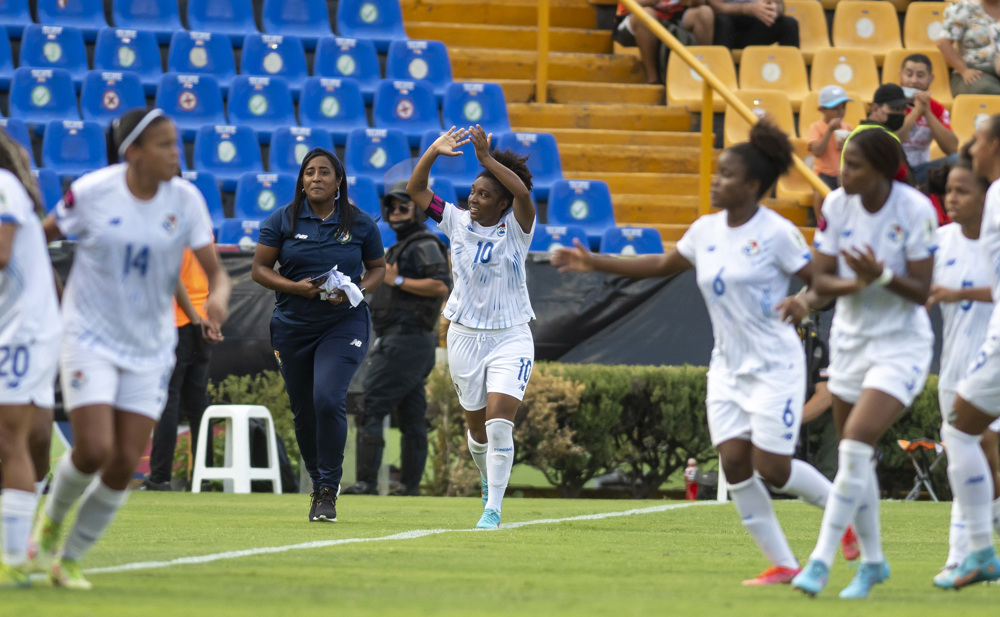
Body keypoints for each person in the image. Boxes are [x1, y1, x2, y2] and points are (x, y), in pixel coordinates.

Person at [552, 121, 858, 586]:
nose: (716, 181)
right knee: (735, 463)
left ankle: (844, 513)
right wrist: (594, 261)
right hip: (727, 367)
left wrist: (804, 301)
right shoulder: (705, 229)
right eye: (716, 173)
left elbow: (821, 280)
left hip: (775, 363)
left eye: (727, 175)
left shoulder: (776, 233)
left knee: (773, 468)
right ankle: (783, 563)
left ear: (753, 185)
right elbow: (660, 264)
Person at [32, 107, 232, 590]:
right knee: (95, 448)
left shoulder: (186, 200)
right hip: (89, 338)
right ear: (133, 151)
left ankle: (71, 557)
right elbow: (37, 241)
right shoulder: (94, 191)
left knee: (123, 462)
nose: (175, 154)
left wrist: (220, 302)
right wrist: (46, 294)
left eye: (177, 144)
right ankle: (51, 524)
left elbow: (217, 273)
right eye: (165, 145)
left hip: (151, 346)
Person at [790, 128, 938, 599]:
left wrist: (882, 276)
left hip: (901, 345)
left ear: (879, 169)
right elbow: (822, 276)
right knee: (859, 458)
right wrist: (819, 294)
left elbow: (921, 291)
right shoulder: (835, 205)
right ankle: (873, 564)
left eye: (852, 165)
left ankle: (819, 560)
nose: (842, 172)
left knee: (853, 442)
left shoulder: (914, 208)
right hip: (851, 343)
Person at [406, 125, 536, 530]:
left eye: (484, 194)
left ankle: (492, 509)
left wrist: (486, 160)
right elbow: (416, 190)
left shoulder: (518, 227)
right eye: (473, 192)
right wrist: (432, 151)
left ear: (502, 203)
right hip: (463, 335)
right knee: (477, 431)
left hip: (511, 334)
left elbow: (526, 196)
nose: (473, 199)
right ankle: (487, 478)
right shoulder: (455, 221)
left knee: (500, 423)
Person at [252, 147, 385, 523]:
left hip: (343, 323)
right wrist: (297, 288)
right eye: (309, 172)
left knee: (327, 398)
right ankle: (319, 481)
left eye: (324, 172)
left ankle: (327, 490)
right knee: (304, 412)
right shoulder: (282, 218)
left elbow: (379, 269)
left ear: (338, 180)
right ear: (301, 179)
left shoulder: (360, 223)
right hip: (292, 327)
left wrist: (355, 288)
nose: (316, 178)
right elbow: (260, 270)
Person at [343, 180, 451, 497]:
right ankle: (410, 486)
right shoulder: (409, 244)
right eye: (391, 206)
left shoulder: (423, 243)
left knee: (372, 406)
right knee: (412, 414)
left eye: (404, 205)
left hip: (405, 341)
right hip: (411, 342)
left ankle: (366, 482)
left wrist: (398, 279)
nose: (395, 212)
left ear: (418, 210)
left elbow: (442, 286)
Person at [926, 151, 1000, 584]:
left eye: (962, 190)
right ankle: (974, 553)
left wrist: (959, 292)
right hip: (955, 367)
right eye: (948, 191)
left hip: (993, 364)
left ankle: (961, 556)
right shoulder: (941, 241)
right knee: (966, 457)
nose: (952, 199)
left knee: (979, 448)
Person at [0, 129, 61, 587]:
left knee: (10, 440)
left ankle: (13, 554)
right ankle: (27, 535)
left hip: (20, 331)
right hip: (31, 326)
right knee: (36, 439)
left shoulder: (2, 186)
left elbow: (2, 256)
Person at [143, 248, 222, 492]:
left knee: (169, 401)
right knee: (198, 403)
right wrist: (207, 318)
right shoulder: (202, 229)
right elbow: (214, 274)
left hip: (179, 321)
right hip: (202, 316)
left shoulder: (172, 225)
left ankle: (160, 477)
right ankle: (203, 478)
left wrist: (196, 319)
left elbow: (172, 278)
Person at [894, 53, 959, 186]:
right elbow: (893, 139)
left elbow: (952, 148)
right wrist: (916, 111)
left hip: (922, 170)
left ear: (930, 78)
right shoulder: (890, 103)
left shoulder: (938, 109)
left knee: (958, 159)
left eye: (920, 75)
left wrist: (927, 111)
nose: (913, 81)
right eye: (909, 74)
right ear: (901, 75)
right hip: (894, 169)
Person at [612, 0, 714, 84]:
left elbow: (698, 3)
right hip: (634, 17)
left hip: (673, 16)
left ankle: (699, 75)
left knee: (705, 13)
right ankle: (653, 80)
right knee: (646, 14)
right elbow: (629, 5)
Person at [808, 85, 854, 223]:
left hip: (843, 173)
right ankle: (820, 223)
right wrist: (829, 131)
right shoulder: (816, 127)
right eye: (835, 109)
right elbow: (817, 151)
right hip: (824, 174)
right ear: (822, 110)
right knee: (820, 194)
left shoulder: (848, 128)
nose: (840, 112)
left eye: (843, 107)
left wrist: (847, 146)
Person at [938, 0, 1000, 96]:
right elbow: (943, 43)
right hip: (974, 72)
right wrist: (963, 70)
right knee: (988, 90)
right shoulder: (963, 8)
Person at [709, 0, 798, 50]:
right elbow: (715, 7)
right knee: (723, 20)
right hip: (730, 26)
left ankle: (792, 76)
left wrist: (774, 9)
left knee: (789, 24)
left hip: (758, 23)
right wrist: (747, 8)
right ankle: (722, 73)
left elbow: (780, 5)